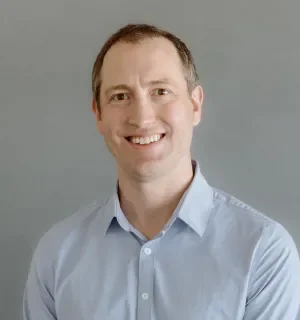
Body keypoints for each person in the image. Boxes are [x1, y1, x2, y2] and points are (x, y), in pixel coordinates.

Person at [23, 23, 300, 320]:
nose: (142, 118)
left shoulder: (262, 251)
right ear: (98, 115)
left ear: (195, 105)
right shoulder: (56, 254)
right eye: (120, 96)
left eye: (160, 91)